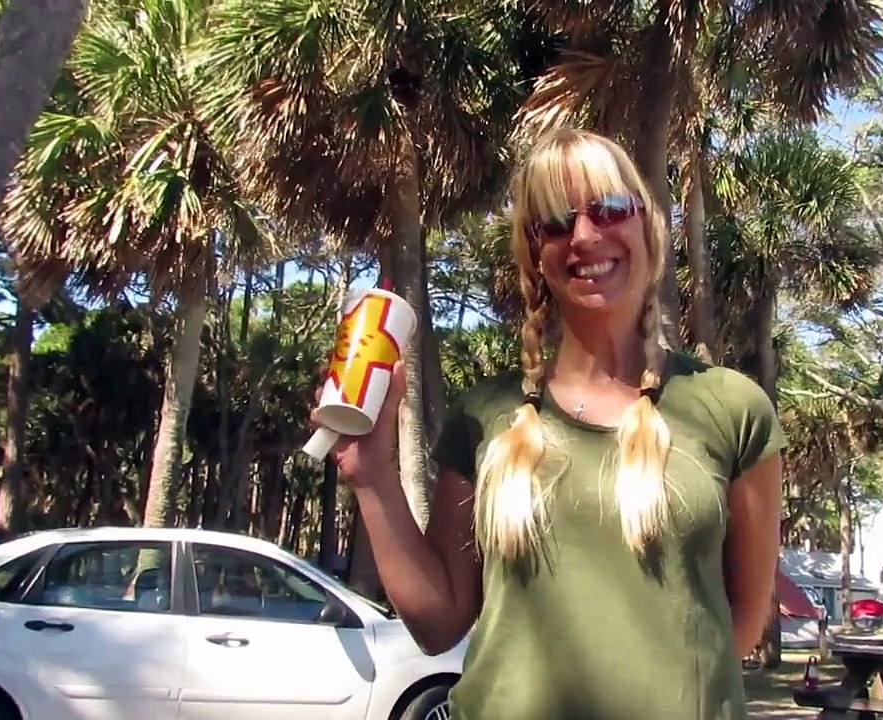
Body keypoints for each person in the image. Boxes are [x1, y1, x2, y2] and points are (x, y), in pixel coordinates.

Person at [312, 127, 786, 720]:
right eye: (555, 222)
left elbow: (742, 622)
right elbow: (438, 624)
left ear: (647, 225)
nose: (584, 235)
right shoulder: (482, 415)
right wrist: (371, 473)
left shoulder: (733, 408)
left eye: (608, 208)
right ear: (535, 254)